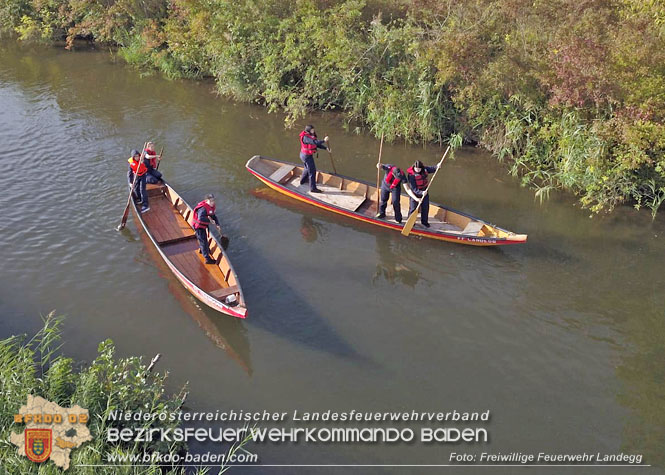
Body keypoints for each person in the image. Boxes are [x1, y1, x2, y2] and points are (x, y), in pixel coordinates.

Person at [406, 160, 439, 228]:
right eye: (416, 168)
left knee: (425, 207)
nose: (417, 170)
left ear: (421, 168)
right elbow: (414, 189)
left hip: (424, 191)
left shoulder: (425, 169)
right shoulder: (411, 175)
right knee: (413, 208)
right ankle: (411, 222)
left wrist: (437, 166)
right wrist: (421, 193)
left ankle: (424, 222)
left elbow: (432, 168)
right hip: (415, 193)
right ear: (414, 167)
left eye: (419, 168)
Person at [298, 125, 329, 193]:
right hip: (306, 156)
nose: (313, 131)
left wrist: (325, 148)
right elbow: (315, 142)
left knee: (307, 168)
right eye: (312, 130)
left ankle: (302, 181)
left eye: (313, 130)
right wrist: (324, 140)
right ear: (308, 130)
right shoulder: (305, 138)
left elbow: (316, 144)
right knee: (312, 171)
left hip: (305, 155)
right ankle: (313, 188)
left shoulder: (310, 135)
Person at [192, 194, 220, 265]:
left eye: (213, 200)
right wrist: (210, 221)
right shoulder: (203, 209)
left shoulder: (211, 207)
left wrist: (217, 224)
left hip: (203, 226)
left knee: (203, 240)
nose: (212, 202)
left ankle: (202, 250)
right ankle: (207, 259)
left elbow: (213, 216)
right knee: (203, 241)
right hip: (198, 227)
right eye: (211, 201)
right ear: (207, 201)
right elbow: (200, 218)